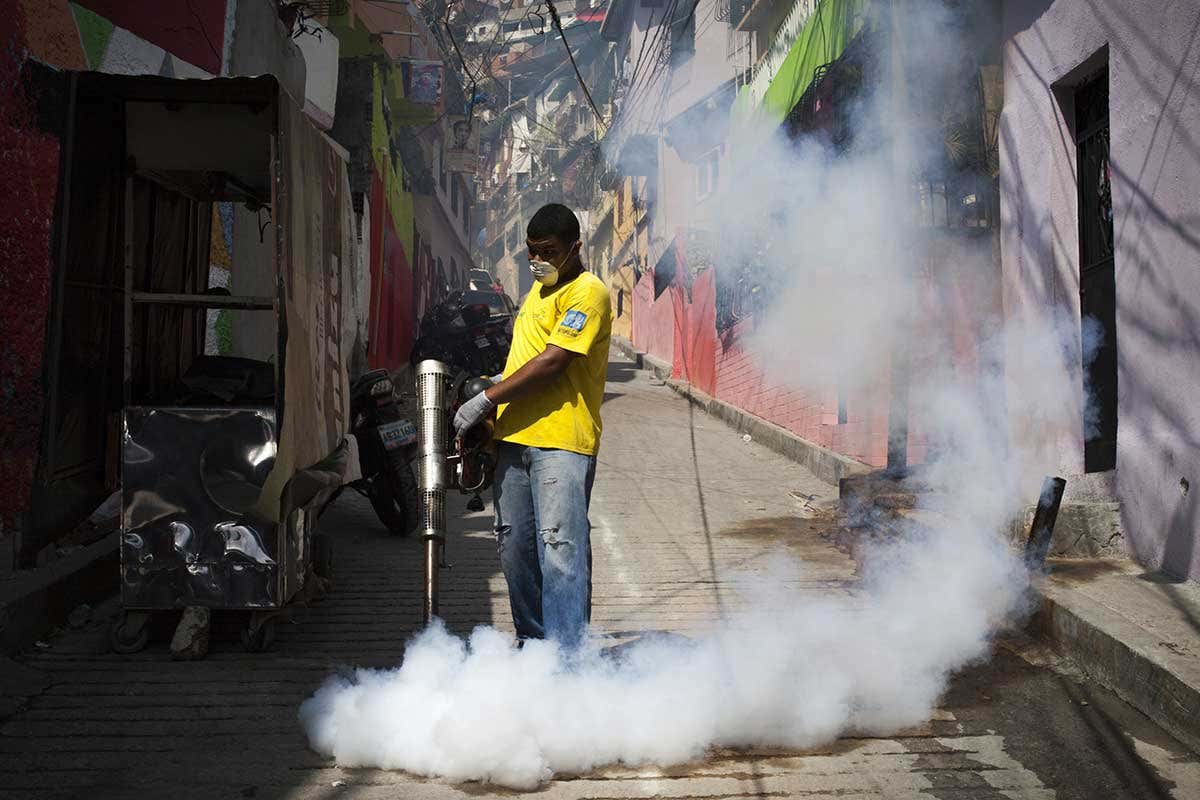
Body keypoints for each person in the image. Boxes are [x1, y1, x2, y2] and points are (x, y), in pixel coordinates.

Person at [453, 203, 612, 650]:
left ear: (574, 247)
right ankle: (533, 647)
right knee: (514, 550)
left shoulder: (588, 292)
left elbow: (554, 363)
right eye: (531, 252)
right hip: (513, 443)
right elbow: (522, 365)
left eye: (548, 251)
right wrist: (488, 406)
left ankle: (565, 658)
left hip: (562, 441)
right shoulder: (534, 298)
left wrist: (487, 397)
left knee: (561, 552)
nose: (537, 260)